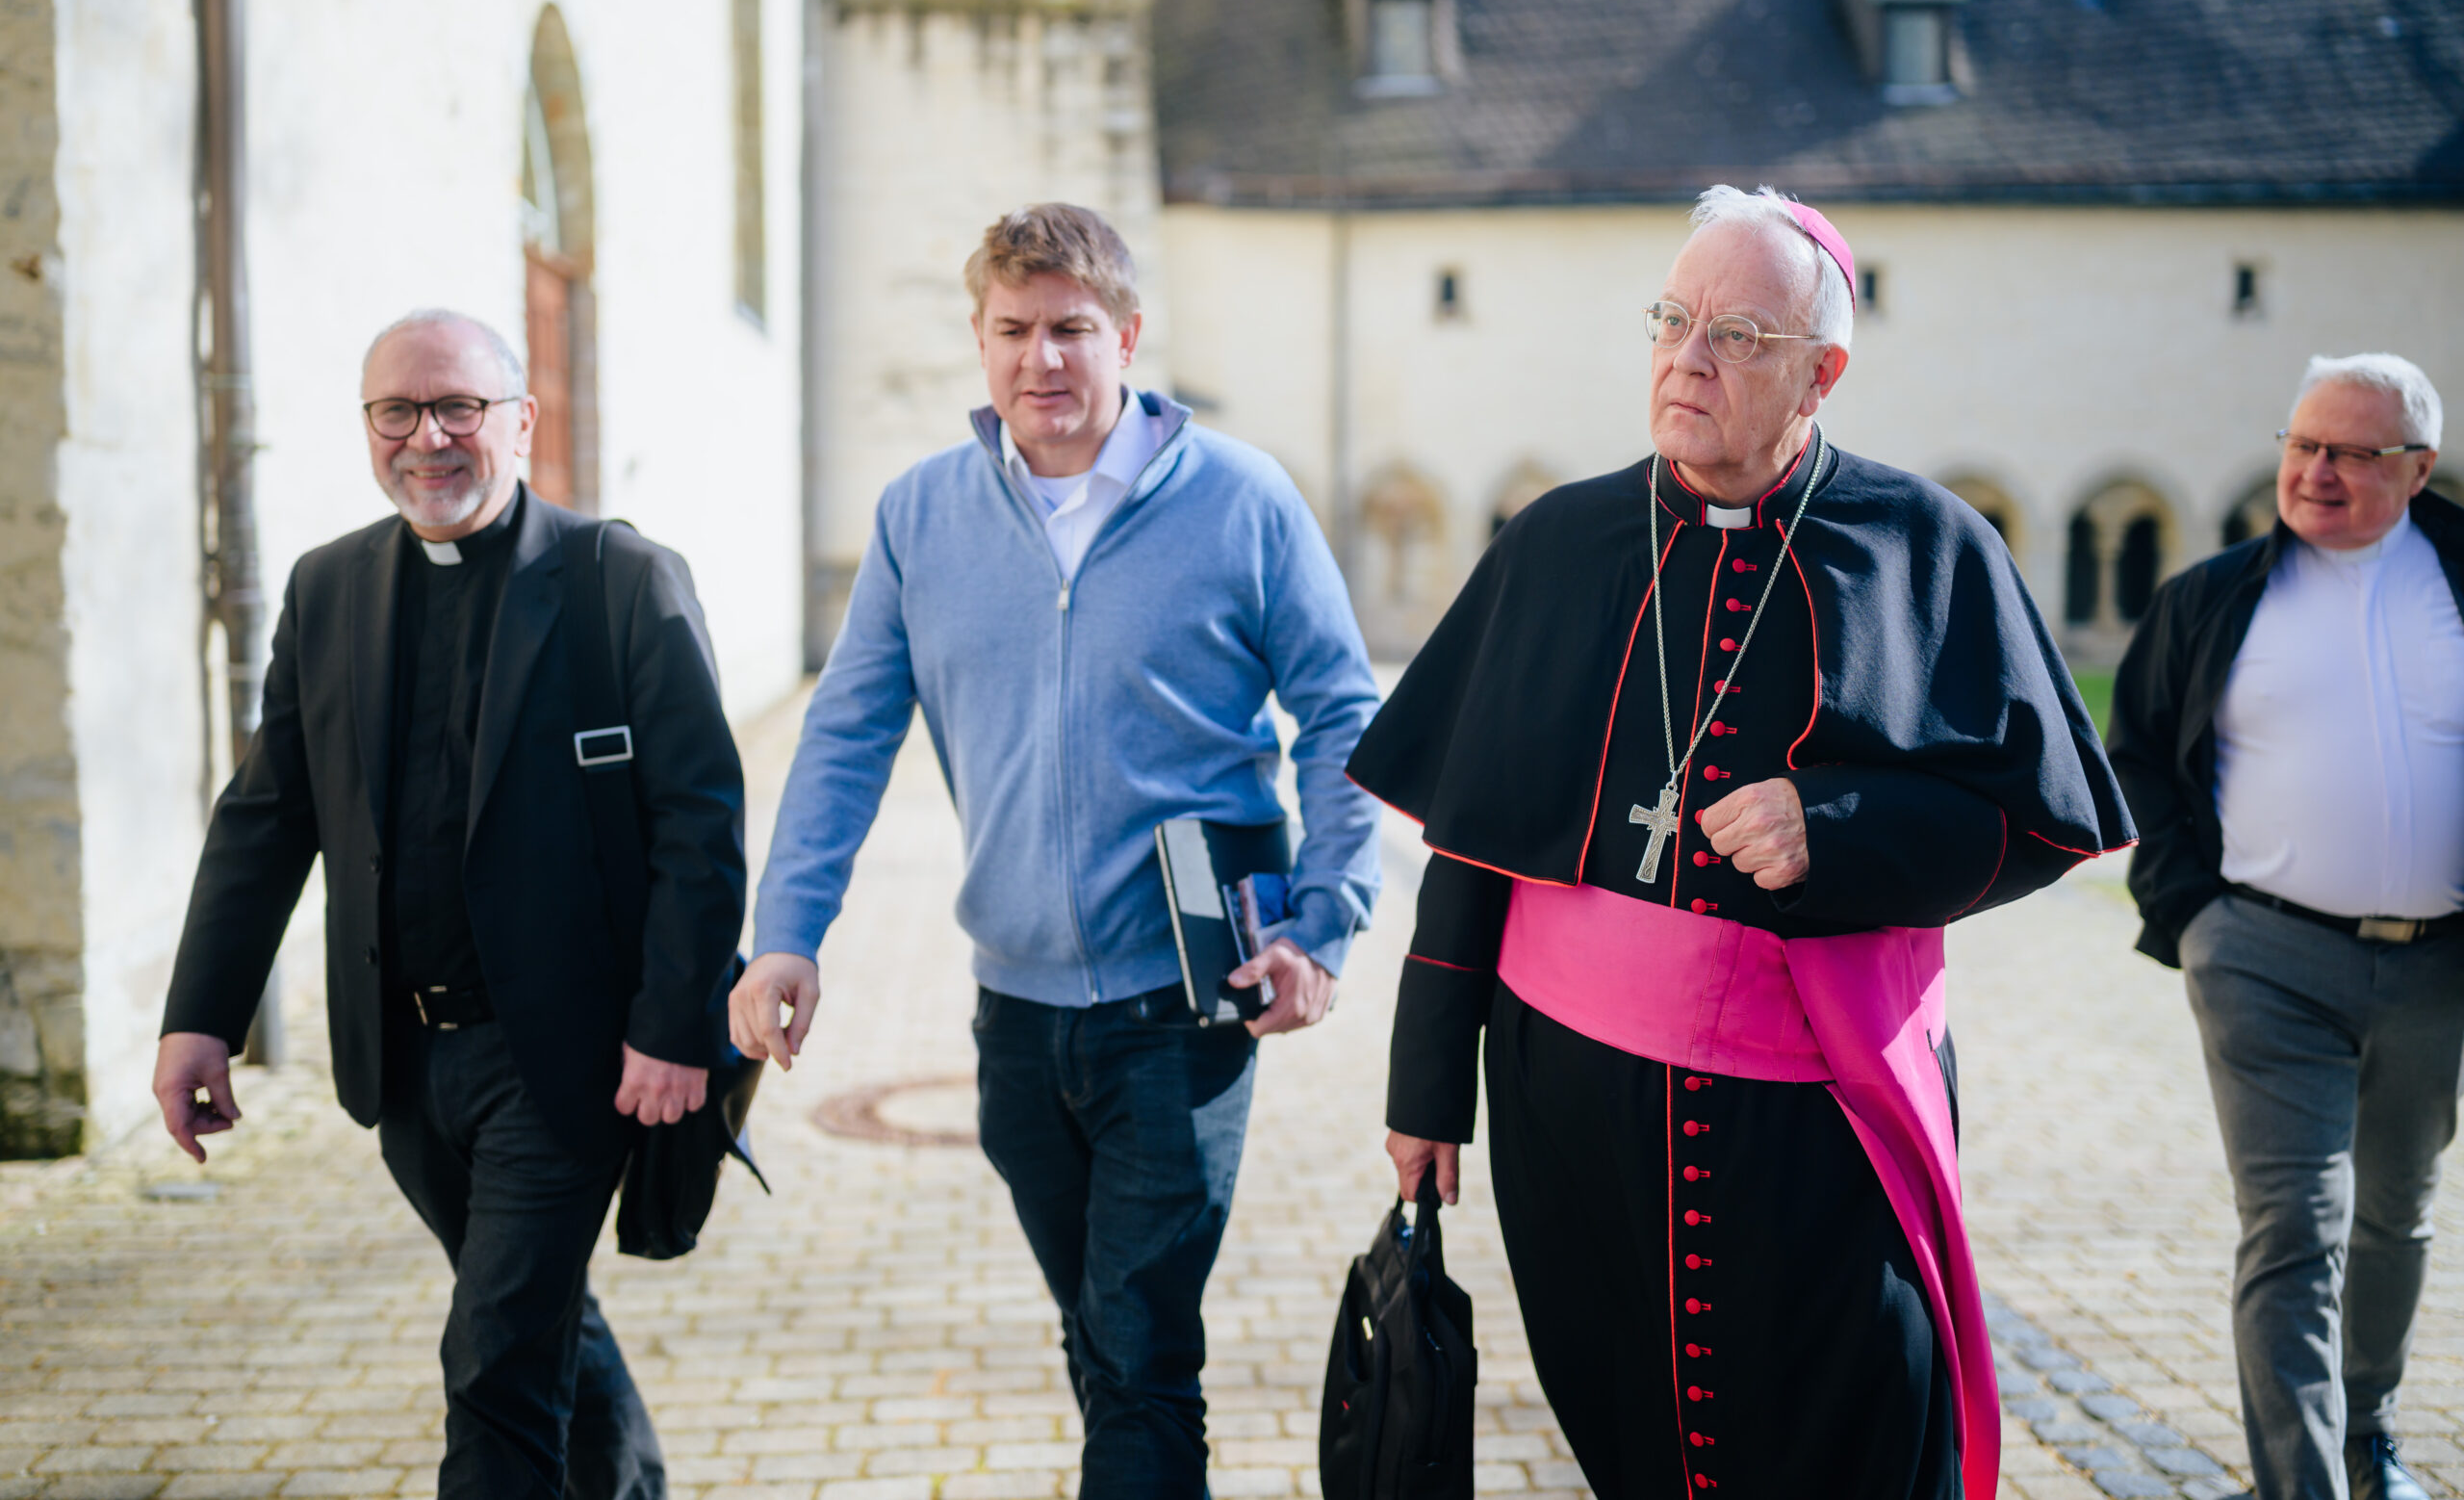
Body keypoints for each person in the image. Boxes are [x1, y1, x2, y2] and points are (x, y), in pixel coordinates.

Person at [1348, 185, 2134, 1498]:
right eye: (1671, 320)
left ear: (1821, 373)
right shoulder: (1556, 544)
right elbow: (1474, 841)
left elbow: (2034, 822)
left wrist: (1838, 826)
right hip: (1571, 1112)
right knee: (1630, 1432)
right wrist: (1425, 1090)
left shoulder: (1924, 547)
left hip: (1816, 1115)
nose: (1687, 358)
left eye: (1738, 335)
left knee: (1856, 1414)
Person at [732, 202, 1380, 1497]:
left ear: (1127, 336)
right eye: (1014, 329)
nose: (1043, 358)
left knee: (1138, 1350)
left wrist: (1322, 924)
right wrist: (786, 934)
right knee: (1103, 1341)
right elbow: (846, 735)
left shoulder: (1242, 499)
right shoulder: (922, 516)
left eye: (1072, 328)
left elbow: (1346, 719)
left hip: (1183, 1005)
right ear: (979, 342)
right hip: (1015, 1021)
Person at [154, 309, 747, 1500]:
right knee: (525, 1312)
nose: (427, 438)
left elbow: (701, 822)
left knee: (491, 1366)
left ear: (520, 422)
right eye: (397, 412)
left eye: (458, 408)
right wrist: (200, 1018)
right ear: (368, 427)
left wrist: (674, 1025)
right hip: (405, 1065)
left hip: (567, 1059)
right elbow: (266, 817)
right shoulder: (328, 589)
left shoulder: (619, 582)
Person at [2110, 354, 2459, 1500]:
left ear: (2417, 469)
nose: (2314, 472)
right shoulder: (2210, 597)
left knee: (2395, 1215)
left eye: (2350, 453)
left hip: (2437, 968)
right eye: (2301, 445)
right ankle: (2301, 1486)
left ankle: (2369, 1438)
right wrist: (2195, 918)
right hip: (2263, 959)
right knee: (2295, 1227)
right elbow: (2136, 759)